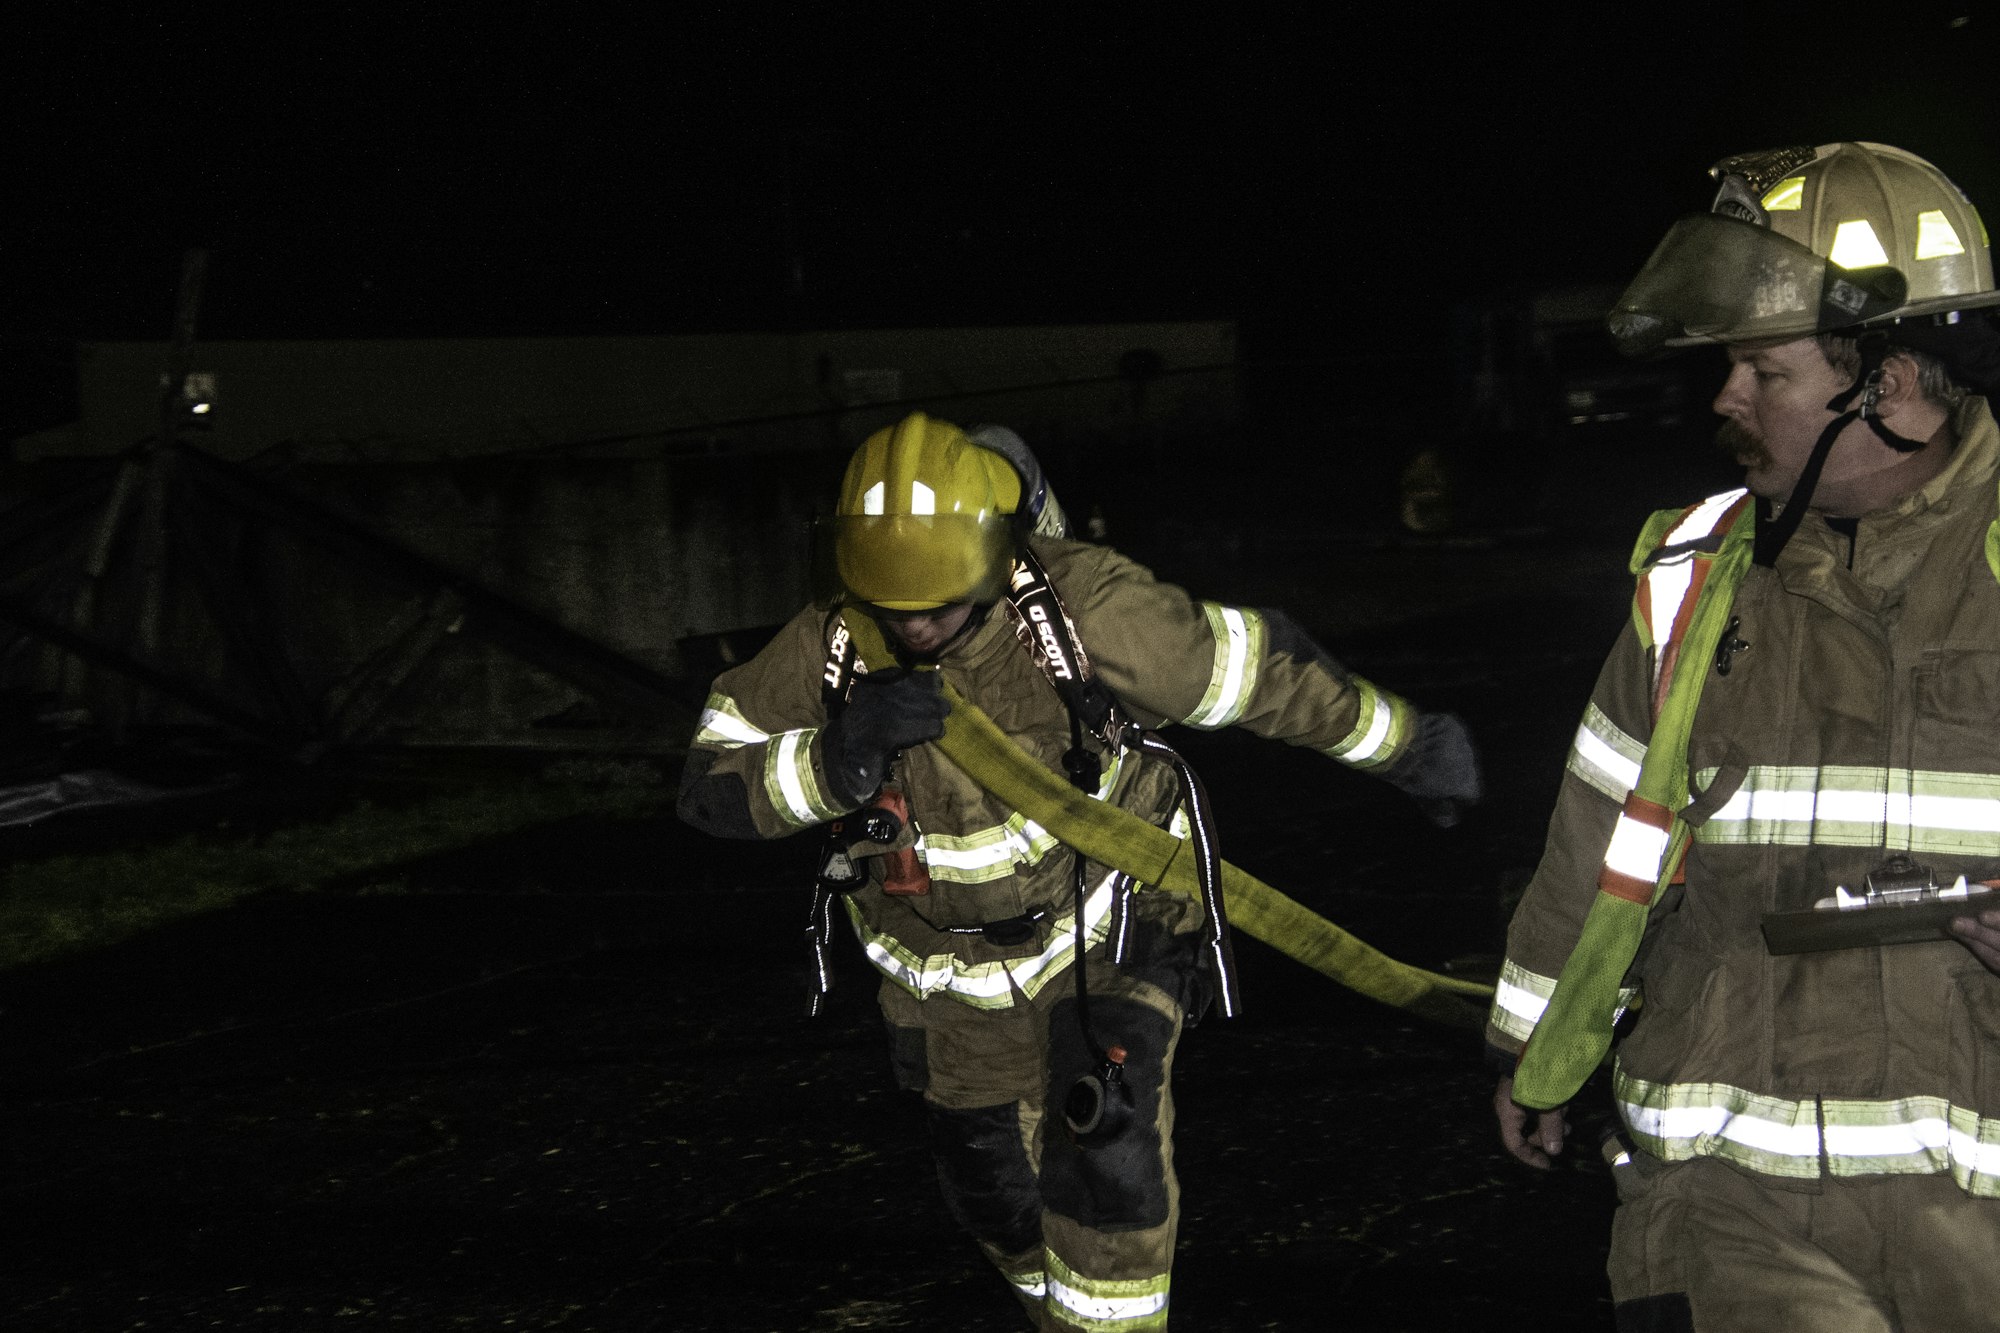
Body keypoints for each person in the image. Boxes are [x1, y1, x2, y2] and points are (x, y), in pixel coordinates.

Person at [678, 410, 1481, 1331]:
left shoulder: (1088, 611)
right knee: (999, 1203)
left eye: (937, 599)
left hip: (1116, 925)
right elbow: (707, 780)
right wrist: (834, 760)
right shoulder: (831, 644)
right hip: (949, 990)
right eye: (893, 602)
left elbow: (1266, 675)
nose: (915, 623)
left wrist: (1410, 747)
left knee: (1103, 1139)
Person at [1488, 141, 2000, 1330]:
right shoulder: (1694, 570)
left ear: (1892, 379)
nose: (1722, 399)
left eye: (1758, 369)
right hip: (1724, 1199)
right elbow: (1600, 833)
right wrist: (1529, 1046)